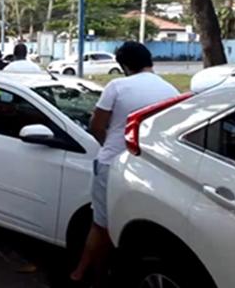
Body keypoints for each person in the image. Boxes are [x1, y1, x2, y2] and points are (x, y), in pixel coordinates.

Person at [70, 41, 179, 287]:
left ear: (124, 65)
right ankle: (94, 272)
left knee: (101, 225)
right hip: (146, 167)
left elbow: (96, 125)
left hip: (112, 163)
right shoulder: (171, 90)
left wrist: (110, 144)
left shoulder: (117, 86)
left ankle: (88, 275)